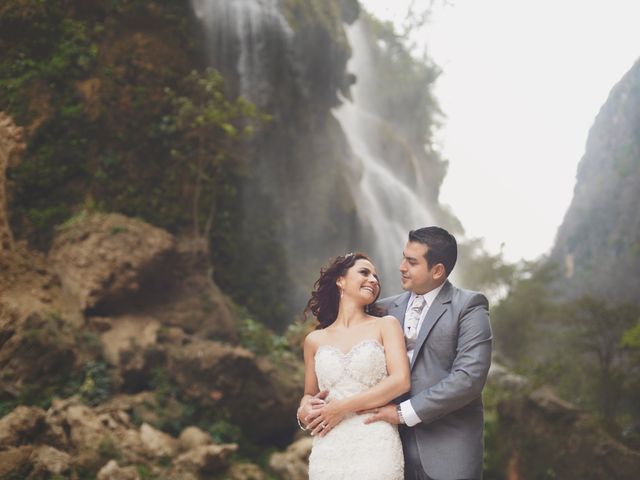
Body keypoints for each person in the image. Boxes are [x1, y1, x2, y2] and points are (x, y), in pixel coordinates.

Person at [363, 226, 493, 480]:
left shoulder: (470, 306)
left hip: (449, 452)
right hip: (388, 450)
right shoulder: (383, 309)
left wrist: (402, 413)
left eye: (411, 262)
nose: (401, 266)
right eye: (403, 257)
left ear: (437, 270)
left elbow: (469, 378)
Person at [297, 252, 410, 479]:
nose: (374, 280)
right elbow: (310, 393)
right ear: (340, 280)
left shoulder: (386, 325)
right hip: (328, 445)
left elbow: (401, 381)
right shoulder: (314, 340)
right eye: (364, 272)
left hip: (375, 440)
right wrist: (303, 411)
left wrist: (341, 408)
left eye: (376, 277)